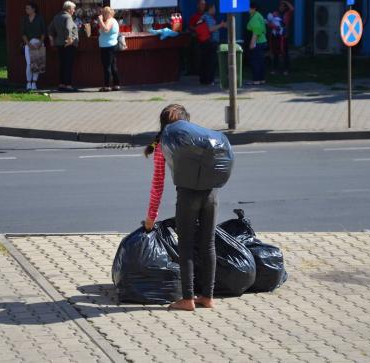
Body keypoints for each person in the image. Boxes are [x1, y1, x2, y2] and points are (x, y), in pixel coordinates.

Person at [144, 104, 218, 312]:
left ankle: (187, 300)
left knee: (185, 246)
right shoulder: (200, 138)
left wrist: (151, 217)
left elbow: (158, 184)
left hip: (187, 196)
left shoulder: (164, 145)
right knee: (208, 244)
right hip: (211, 195)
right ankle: (208, 297)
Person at [48, 1, 79, 92]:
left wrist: (51, 40)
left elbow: (50, 29)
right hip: (69, 45)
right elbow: (68, 28)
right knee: (68, 65)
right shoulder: (68, 17)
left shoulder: (56, 17)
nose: (74, 10)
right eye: (73, 9)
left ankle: (61, 84)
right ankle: (68, 85)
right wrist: (69, 39)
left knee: (62, 65)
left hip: (59, 44)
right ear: (69, 9)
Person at [21, 2, 46, 91]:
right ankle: (28, 82)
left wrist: (40, 43)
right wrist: (28, 44)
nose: (26, 10)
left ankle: (34, 83)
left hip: (39, 43)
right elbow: (23, 33)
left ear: (33, 9)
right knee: (29, 63)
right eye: (26, 8)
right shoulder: (25, 19)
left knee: (37, 64)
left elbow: (43, 32)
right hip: (28, 44)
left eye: (28, 8)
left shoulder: (40, 19)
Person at [199, 4, 226, 85]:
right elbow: (211, 29)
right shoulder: (208, 17)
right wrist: (221, 25)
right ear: (210, 9)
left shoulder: (204, 17)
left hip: (206, 42)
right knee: (211, 62)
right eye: (214, 8)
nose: (215, 10)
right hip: (210, 42)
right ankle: (210, 80)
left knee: (206, 62)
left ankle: (204, 80)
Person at [267, 0, 294, 75]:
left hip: (283, 36)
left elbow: (292, 9)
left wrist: (285, 1)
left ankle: (286, 69)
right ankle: (274, 69)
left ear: (285, 7)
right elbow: (269, 23)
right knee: (275, 53)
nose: (281, 7)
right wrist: (273, 26)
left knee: (284, 53)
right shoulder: (275, 13)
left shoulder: (287, 13)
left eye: (283, 6)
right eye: (280, 6)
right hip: (275, 36)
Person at [97, 7, 120, 92]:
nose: (102, 15)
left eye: (103, 13)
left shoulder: (110, 20)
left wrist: (100, 20)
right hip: (110, 46)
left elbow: (105, 29)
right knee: (113, 66)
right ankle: (116, 85)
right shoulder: (112, 20)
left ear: (107, 13)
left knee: (107, 66)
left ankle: (107, 86)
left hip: (107, 47)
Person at [246, 2, 267, 85]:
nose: (247, 9)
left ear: (253, 8)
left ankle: (256, 80)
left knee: (255, 62)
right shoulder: (258, 15)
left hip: (257, 43)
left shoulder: (255, 17)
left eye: (249, 8)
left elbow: (256, 31)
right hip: (262, 42)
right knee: (260, 61)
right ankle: (261, 79)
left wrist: (252, 43)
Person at [187, 0, 207, 75]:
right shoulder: (195, 16)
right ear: (198, 5)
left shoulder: (207, 16)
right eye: (201, 4)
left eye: (204, 5)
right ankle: (195, 71)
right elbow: (190, 26)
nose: (203, 6)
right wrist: (197, 29)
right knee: (196, 55)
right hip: (197, 39)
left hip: (206, 39)